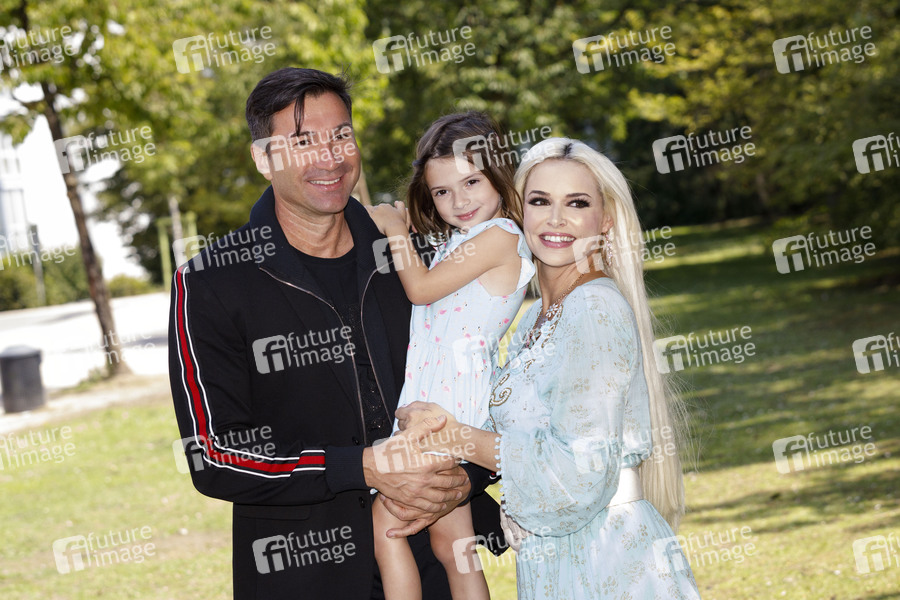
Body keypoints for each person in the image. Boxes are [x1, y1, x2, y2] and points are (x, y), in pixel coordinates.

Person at [168, 68, 501, 600]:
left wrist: (468, 477)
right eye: (303, 141)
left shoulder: (412, 256)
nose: (330, 157)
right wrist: (361, 466)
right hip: (302, 575)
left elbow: (485, 376)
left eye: (341, 135)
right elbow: (214, 455)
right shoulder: (210, 282)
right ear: (263, 159)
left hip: (431, 563)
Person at [397, 138, 703, 599]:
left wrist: (451, 435)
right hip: (557, 562)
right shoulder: (534, 320)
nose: (556, 219)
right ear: (518, 209)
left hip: (608, 562)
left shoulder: (594, 309)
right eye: (540, 201)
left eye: (577, 203)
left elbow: (578, 469)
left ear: (606, 218)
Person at [366, 112, 535, 600]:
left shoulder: (500, 235)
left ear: (498, 176)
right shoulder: (462, 240)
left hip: (448, 406)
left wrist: (395, 230)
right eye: (442, 191)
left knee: (386, 527)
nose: (459, 201)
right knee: (452, 545)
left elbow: (419, 290)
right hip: (441, 400)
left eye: (472, 182)